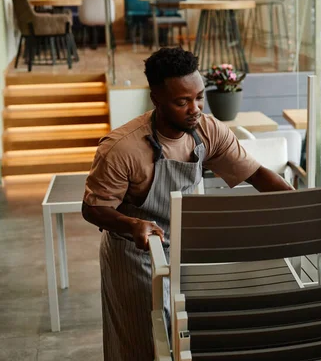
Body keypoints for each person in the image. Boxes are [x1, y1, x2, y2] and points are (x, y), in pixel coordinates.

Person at [82, 47, 292, 361]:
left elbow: (258, 175)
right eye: (182, 102)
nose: (194, 109)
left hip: (184, 246)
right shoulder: (123, 149)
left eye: (198, 97)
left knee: (181, 340)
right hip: (135, 252)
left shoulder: (206, 130)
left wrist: (301, 206)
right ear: (155, 99)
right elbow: (93, 208)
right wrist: (132, 224)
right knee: (143, 342)